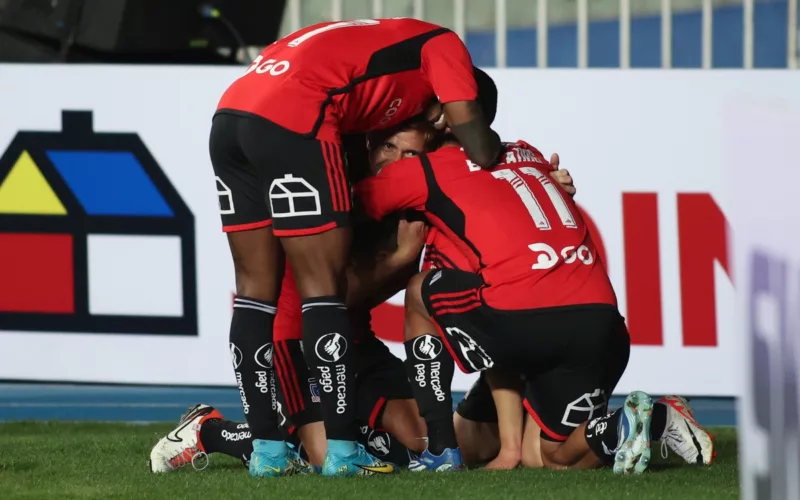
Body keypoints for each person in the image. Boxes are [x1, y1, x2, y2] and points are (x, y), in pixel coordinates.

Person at [355, 82, 715, 473]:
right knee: (549, 459)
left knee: (422, 292)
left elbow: (334, 206)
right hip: (600, 324)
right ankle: (649, 418)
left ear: (440, 120)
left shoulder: (425, 173)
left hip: (523, 320)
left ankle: (441, 452)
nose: (399, 156)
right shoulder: (528, 153)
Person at [210, 16, 504, 477]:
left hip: (232, 113)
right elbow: (482, 150)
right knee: (320, 291)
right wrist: (504, 159)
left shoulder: (372, 58)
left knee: (251, 293)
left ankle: (268, 451)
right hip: (293, 118)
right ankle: (340, 453)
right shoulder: (442, 45)